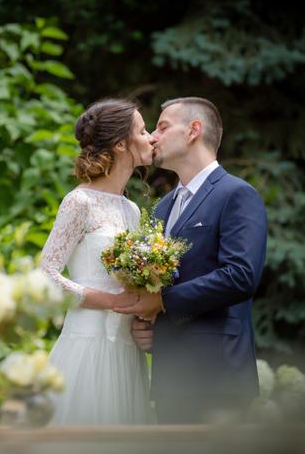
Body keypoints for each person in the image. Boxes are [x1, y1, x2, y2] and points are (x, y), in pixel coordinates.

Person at [115, 97, 268, 423]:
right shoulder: (163, 208)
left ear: (193, 130)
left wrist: (162, 302)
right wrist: (151, 330)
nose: (152, 137)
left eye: (162, 127)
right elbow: (166, 281)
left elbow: (240, 275)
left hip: (218, 378)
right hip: (169, 380)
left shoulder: (236, 194)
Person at [40, 98, 156, 424]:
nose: (151, 138)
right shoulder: (79, 201)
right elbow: (45, 275)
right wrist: (110, 301)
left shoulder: (132, 209)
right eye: (143, 131)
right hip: (88, 344)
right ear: (120, 145)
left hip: (127, 348)